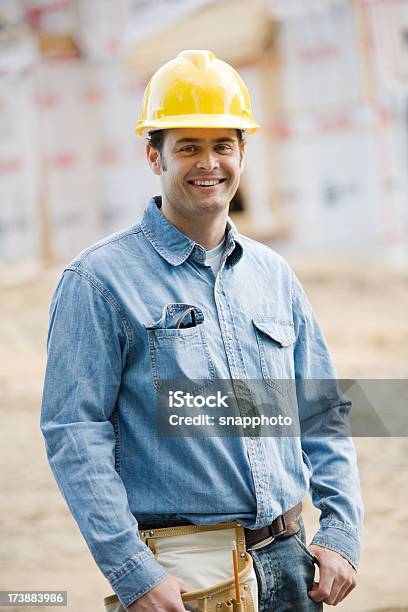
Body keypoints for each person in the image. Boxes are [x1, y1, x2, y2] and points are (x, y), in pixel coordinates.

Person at [41, 50, 363, 612]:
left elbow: (321, 408)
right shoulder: (97, 282)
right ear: (153, 155)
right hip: (183, 574)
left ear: (243, 152)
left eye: (223, 145)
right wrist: (133, 572)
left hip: (292, 565)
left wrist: (340, 532)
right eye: (187, 146)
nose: (208, 163)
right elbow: (74, 432)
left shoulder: (273, 275)